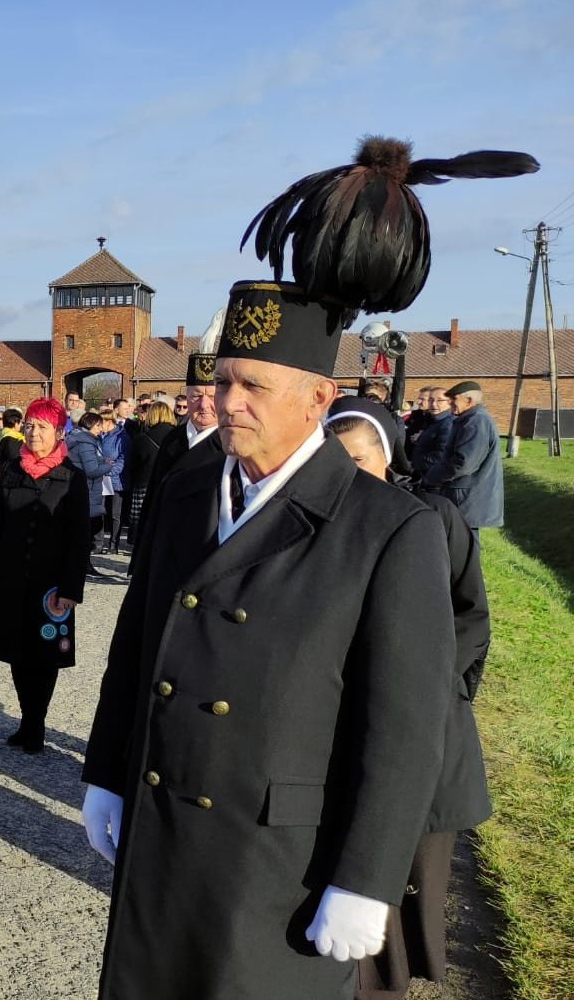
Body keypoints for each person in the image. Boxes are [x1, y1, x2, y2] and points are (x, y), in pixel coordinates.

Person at [81, 134, 534, 1000]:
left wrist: (367, 876)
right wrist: (107, 769)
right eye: (223, 381)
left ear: (320, 398)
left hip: (279, 859)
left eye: (253, 386)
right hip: (164, 824)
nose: (227, 403)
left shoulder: (388, 529)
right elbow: (135, 644)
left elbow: (403, 727)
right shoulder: (186, 490)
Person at [323, 397, 493, 1000]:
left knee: (402, 870)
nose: (346, 474)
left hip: (420, 723)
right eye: (332, 461)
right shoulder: (318, 517)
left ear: (387, 457)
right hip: (340, 723)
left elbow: (470, 614)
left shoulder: (432, 516)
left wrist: (433, 687)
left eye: (357, 460)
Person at [0, 397, 90, 753]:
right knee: (16, 652)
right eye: (30, 425)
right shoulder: (11, 470)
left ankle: (36, 722)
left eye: (42, 427)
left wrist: (71, 587)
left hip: (50, 585)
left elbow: (80, 537)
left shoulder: (72, 477)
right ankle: (27, 718)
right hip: (11, 578)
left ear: (59, 432)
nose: (33, 432)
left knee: (44, 655)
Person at [140, 309, 224, 527]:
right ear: (186, 396)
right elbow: (153, 499)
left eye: (211, 397)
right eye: (196, 396)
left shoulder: (231, 443)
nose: (203, 405)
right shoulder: (172, 439)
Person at [419, 381, 504, 533]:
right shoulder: (468, 419)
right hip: (463, 496)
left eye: (454, 399)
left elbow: (463, 463)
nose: (450, 402)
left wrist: (432, 477)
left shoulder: (476, 422)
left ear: (469, 400)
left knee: (465, 542)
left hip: (467, 498)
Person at [125, 400, 176, 549]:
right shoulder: (178, 436)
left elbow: (133, 465)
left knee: (142, 519)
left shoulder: (142, 438)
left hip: (144, 483)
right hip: (169, 483)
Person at [64, 412, 107, 556]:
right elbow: (92, 470)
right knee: (85, 529)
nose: (101, 429)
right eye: (99, 426)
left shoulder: (80, 438)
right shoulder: (85, 442)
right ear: (91, 425)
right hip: (87, 487)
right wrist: (109, 466)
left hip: (83, 486)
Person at [99, 407, 130, 554]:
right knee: (101, 511)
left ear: (109, 421)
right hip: (101, 478)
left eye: (101, 422)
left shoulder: (122, 437)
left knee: (115, 514)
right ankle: (99, 543)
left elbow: (123, 459)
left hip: (116, 480)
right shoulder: (100, 436)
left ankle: (113, 544)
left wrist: (109, 470)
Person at [408, 387, 454, 483]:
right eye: (431, 400)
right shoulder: (434, 420)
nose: (433, 404)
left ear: (450, 402)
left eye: (440, 400)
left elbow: (441, 455)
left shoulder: (447, 424)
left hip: (433, 478)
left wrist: (416, 463)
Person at [0, 408, 24, 480]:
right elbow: (16, 459)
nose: (21, 425)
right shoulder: (12, 440)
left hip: (3, 477)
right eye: (20, 422)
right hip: (10, 480)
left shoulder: (3, 436)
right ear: (15, 423)